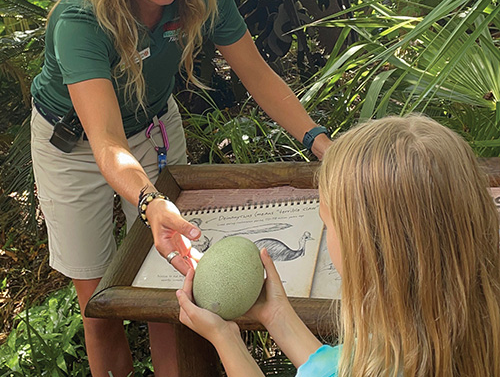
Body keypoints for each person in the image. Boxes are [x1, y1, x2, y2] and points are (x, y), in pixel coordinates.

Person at [29, 0, 332, 375]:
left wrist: (320, 142)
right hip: (75, 146)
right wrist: (149, 201)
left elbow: (257, 74)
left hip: (152, 128)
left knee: (171, 291)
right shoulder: (80, 19)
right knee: (99, 301)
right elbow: (105, 140)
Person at [177, 115, 500, 376]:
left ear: (365, 250)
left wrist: (226, 339)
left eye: (327, 223)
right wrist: (276, 315)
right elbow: (332, 366)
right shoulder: (462, 332)